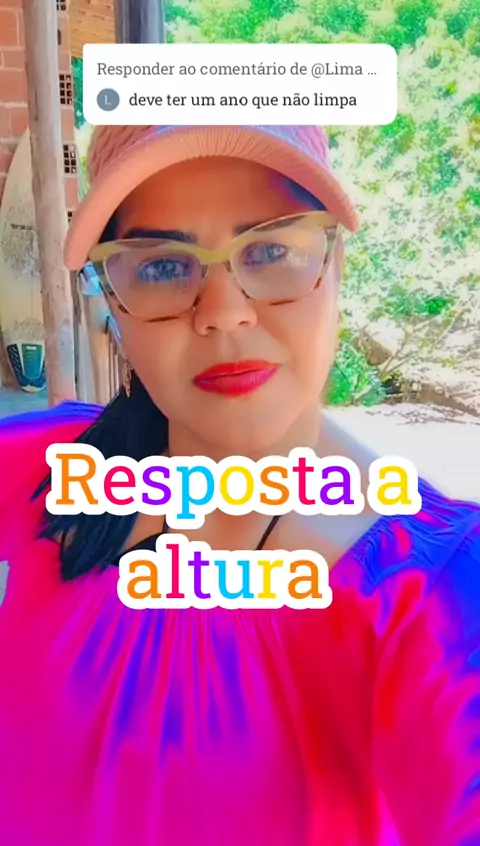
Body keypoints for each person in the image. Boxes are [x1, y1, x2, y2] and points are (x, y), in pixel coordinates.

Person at [0, 124, 479, 846]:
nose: (223, 310)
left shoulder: (431, 589)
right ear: (115, 305)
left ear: (335, 265)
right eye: (163, 266)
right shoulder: (50, 466)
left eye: (271, 250)